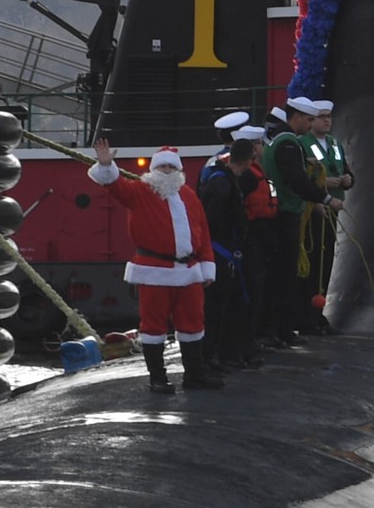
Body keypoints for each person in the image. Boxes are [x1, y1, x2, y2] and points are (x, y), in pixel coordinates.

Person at [90, 138, 221, 393]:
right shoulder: (140, 191)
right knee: (153, 327)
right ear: (153, 170)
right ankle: (157, 378)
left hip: (189, 271)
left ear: (179, 171)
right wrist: (106, 165)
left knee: (193, 325)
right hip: (155, 272)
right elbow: (116, 186)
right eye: (163, 168)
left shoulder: (189, 196)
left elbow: (203, 232)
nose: (168, 172)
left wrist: (207, 266)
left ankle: (195, 374)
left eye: (172, 168)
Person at [261, 97, 342, 344]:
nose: (310, 124)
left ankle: (282, 329)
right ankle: (275, 330)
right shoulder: (288, 144)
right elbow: (296, 180)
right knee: (283, 275)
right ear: (296, 117)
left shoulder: (283, 141)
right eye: (309, 119)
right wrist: (326, 198)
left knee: (286, 275)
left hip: (287, 212)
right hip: (286, 213)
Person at [197, 128, 266, 372]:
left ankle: (217, 354)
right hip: (219, 252)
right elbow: (212, 222)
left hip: (224, 250)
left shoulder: (225, 179)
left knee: (225, 305)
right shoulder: (223, 185)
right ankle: (209, 356)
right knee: (216, 307)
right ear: (250, 159)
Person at [304, 99, 352, 333]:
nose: (326, 121)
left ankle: (318, 313)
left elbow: (347, 169)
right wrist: (325, 183)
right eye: (321, 117)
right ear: (311, 120)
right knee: (312, 263)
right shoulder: (303, 143)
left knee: (327, 262)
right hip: (312, 212)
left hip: (332, 211)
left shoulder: (334, 144)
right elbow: (301, 178)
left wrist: (347, 180)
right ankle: (306, 313)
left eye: (329, 117)